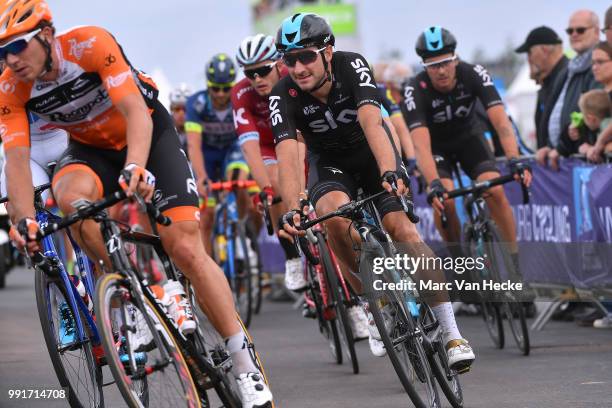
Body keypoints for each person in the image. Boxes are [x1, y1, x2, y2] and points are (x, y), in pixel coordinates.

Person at [0, 2, 272, 405]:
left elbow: (135, 113)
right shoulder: (10, 87)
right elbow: (17, 161)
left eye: (17, 46)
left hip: (146, 134)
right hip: (90, 150)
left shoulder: (90, 44)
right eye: (0, 51)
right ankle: (126, 293)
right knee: (70, 201)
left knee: (184, 246)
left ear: (45, 34)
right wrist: (22, 222)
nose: (10, 59)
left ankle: (243, 362)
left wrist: (136, 168)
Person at [272, 13, 475, 370]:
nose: (299, 67)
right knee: (333, 219)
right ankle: (371, 300)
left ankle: (451, 332)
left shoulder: (352, 66)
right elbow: (288, 154)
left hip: (370, 152)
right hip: (329, 164)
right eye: (290, 60)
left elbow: (371, 121)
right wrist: (292, 206)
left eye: (306, 56)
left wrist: (390, 170)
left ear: (327, 52)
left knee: (403, 230)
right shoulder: (282, 94)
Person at [402, 26, 532, 288]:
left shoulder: (473, 73)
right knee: (445, 200)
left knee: (495, 192)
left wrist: (515, 158)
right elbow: (421, 145)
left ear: (455, 58)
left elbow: (501, 122)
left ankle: (515, 266)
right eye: (433, 65)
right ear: (424, 65)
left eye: (446, 63)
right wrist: (433, 184)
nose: (441, 70)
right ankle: (460, 263)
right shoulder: (414, 88)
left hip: (469, 139)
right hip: (436, 148)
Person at [232, 34, 309, 292]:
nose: (256, 80)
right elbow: (249, 145)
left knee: (304, 184)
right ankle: (292, 257)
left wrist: (301, 188)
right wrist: (264, 187)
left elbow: (301, 137)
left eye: (262, 71)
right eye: (249, 74)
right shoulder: (241, 93)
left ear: (278, 64)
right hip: (267, 145)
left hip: (298, 136)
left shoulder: (293, 78)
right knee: (275, 184)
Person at [185, 54, 250, 255]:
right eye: (215, 88)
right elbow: (193, 145)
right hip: (207, 153)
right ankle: (210, 267)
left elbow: (248, 136)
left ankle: (242, 229)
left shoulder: (240, 99)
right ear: (208, 85)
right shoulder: (196, 103)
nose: (221, 94)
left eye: (226, 89)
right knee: (206, 217)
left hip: (232, 148)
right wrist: (202, 177)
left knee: (239, 181)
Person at [546, 9, 601, 169]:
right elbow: (556, 113)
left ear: (597, 32)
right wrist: (550, 145)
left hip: (587, 159)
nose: (574, 34)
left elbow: (594, 111)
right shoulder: (569, 68)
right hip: (567, 158)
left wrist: (562, 147)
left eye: (580, 30)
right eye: (570, 31)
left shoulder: (597, 67)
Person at [515, 26, 569, 166]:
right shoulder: (549, 80)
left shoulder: (567, 74)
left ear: (544, 50)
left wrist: (558, 148)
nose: (529, 59)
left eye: (529, 52)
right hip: (553, 163)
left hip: (564, 163)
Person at [586, 41, 612, 161]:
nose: (595, 67)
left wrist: (603, 145)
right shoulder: (596, 94)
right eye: (593, 63)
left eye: (600, 62)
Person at [569, 89, 611, 154]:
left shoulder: (605, 124)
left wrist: (593, 149)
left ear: (590, 119)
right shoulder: (602, 126)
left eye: (583, 115)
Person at [169, 83, 192, 154]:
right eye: (177, 109)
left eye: (185, 109)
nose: (181, 114)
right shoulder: (162, 129)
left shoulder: (200, 131)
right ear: (172, 110)